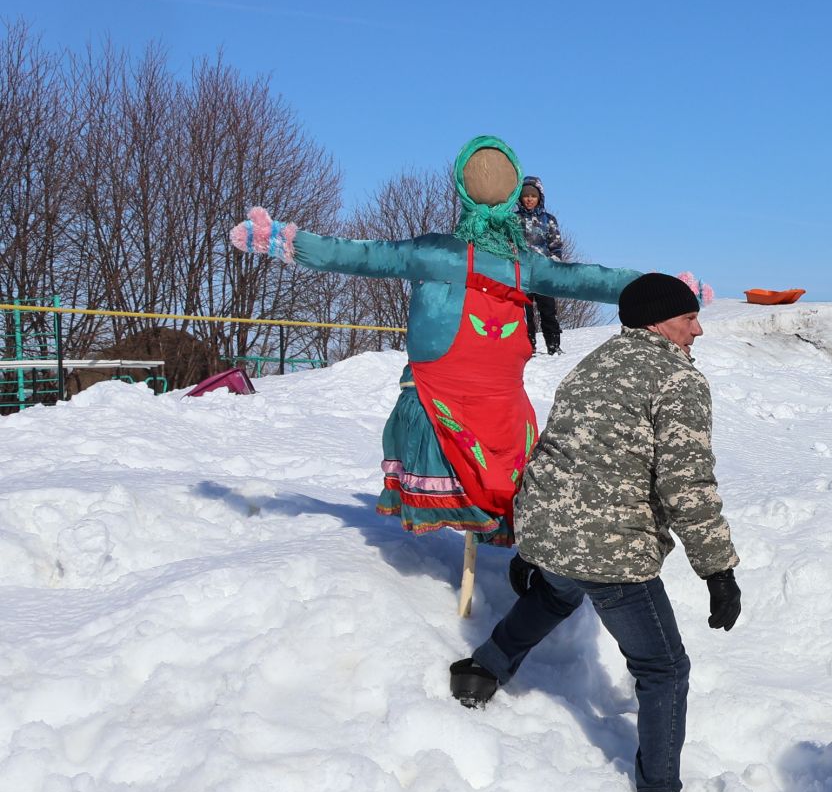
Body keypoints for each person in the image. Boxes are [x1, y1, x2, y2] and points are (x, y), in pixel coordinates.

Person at [230, 136, 638, 544]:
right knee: (501, 475)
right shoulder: (522, 264)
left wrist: (289, 241)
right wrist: (659, 287)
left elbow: (360, 254)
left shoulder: (437, 252)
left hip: (456, 388)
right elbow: (589, 279)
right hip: (486, 398)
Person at [448, 273, 741, 792]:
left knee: (556, 592)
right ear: (658, 321)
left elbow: (550, 450)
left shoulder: (592, 365)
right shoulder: (676, 380)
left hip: (556, 533)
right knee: (663, 668)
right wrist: (718, 569)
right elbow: (687, 485)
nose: (698, 330)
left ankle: (482, 670)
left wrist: (532, 538)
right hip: (614, 551)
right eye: (688, 319)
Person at [516, 176, 565, 355]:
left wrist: (553, 263)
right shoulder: (513, 220)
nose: (529, 199)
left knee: (548, 311)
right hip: (522, 273)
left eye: (533, 196)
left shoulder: (548, 219)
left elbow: (556, 245)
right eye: (525, 195)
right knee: (524, 313)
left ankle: (554, 345)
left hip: (544, 272)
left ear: (539, 198)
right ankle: (529, 346)